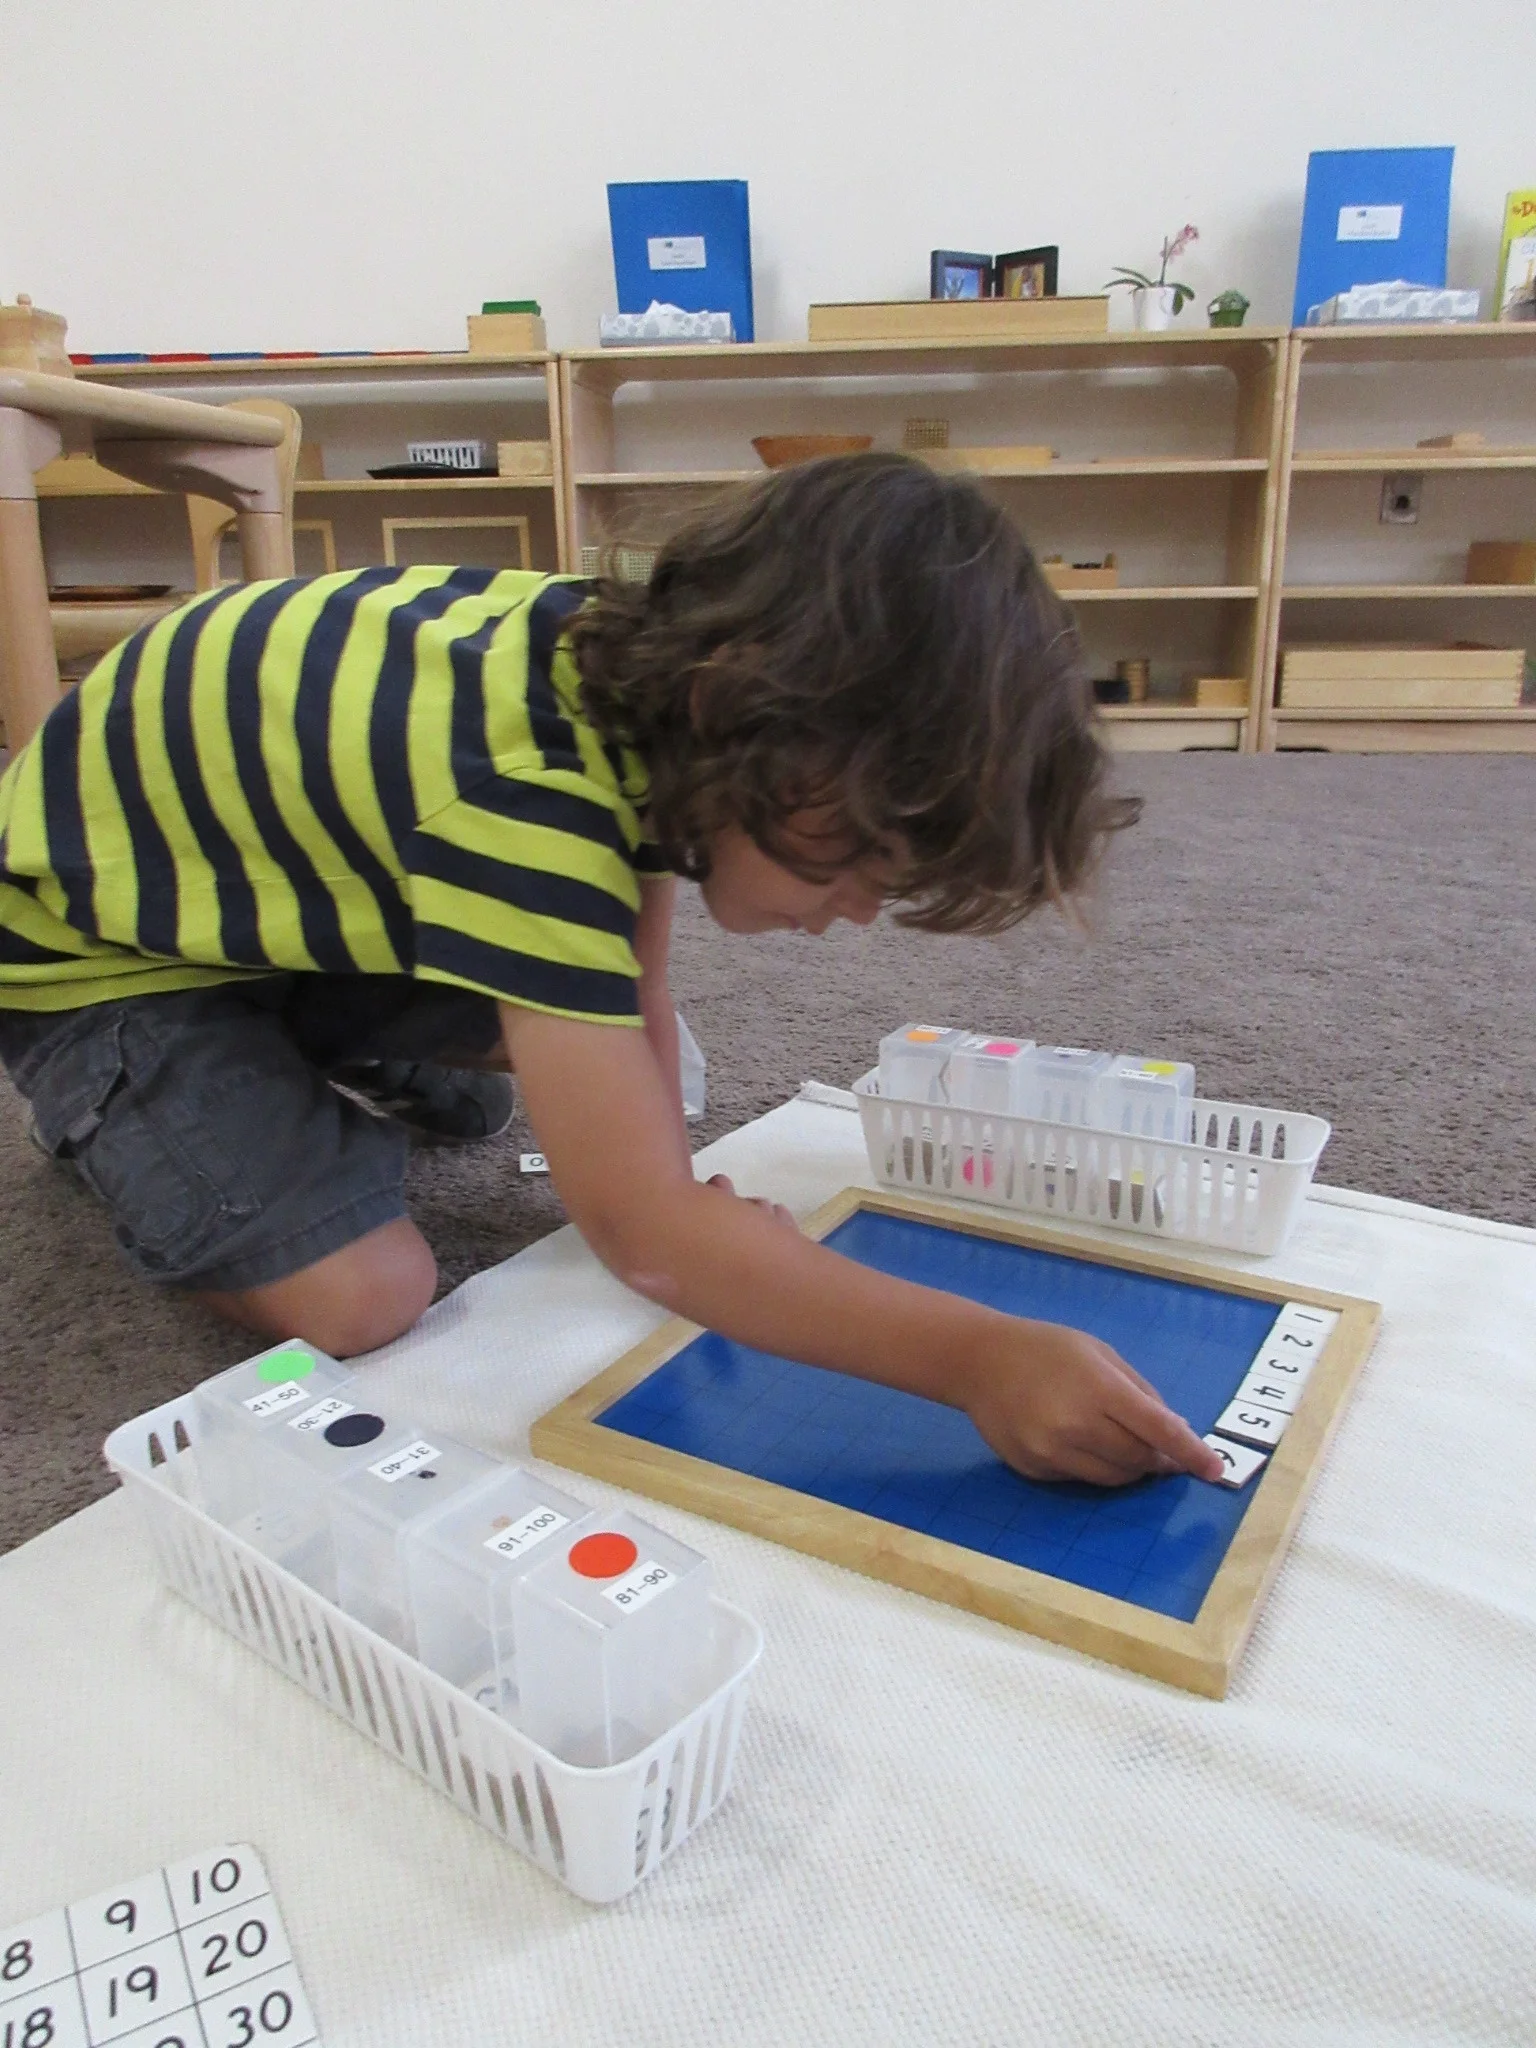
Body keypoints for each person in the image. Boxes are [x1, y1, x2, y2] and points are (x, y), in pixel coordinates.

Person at [0, 452, 1221, 1488]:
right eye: (858, 856)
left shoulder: (639, 682)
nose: (857, 911)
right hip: (85, 955)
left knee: (498, 1087)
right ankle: (112, 1117)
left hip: (272, 902)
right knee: (368, 1293)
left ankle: (259, 1061)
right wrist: (978, 1357)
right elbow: (643, 1239)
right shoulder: (523, 790)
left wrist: (664, 1179)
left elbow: (634, 993)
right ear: (739, 710)